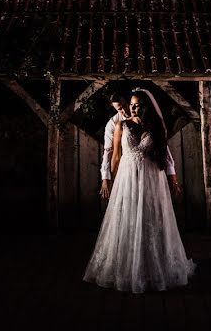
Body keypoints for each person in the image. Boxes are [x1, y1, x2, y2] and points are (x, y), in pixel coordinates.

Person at [84, 88, 196, 293]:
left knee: (150, 219)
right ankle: (127, 267)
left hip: (151, 178)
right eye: (131, 105)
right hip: (128, 178)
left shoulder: (155, 126)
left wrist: (173, 178)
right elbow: (114, 155)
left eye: (136, 104)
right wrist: (114, 181)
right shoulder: (118, 124)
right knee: (128, 219)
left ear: (145, 106)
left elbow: (165, 153)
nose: (132, 108)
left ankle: (153, 267)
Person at [100, 93, 182, 200]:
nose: (125, 110)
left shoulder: (153, 124)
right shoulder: (114, 124)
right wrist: (107, 179)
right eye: (119, 109)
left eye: (125, 105)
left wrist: (172, 174)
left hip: (150, 172)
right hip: (128, 172)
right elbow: (109, 151)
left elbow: (163, 148)